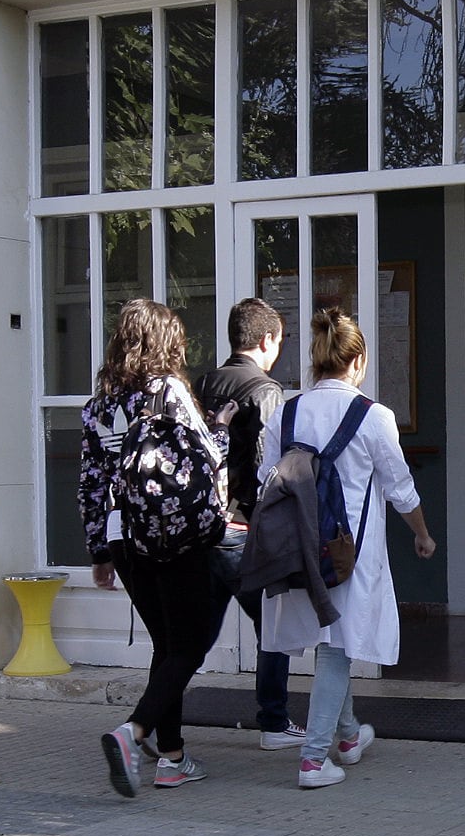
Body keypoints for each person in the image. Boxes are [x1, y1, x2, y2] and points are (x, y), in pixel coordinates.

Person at [259, 307, 435, 790]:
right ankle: (314, 759)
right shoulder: (373, 416)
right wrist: (422, 534)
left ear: (317, 360)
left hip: (297, 551)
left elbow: (265, 480)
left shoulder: (286, 413)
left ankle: (349, 736)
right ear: (357, 362)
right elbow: (401, 489)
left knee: (333, 646)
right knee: (338, 649)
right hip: (347, 555)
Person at [75, 297, 231, 796]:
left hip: (125, 538)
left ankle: (172, 758)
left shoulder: (100, 402)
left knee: (166, 643)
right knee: (189, 643)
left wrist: (100, 552)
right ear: (168, 342)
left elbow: (91, 482)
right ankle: (133, 732)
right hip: (173, 533)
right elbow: (206, 460)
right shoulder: (169, 391)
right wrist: (223, 428)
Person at [197, 297, 297, 745]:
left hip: (200, 527)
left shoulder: (202, 382)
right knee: (273, 626)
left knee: (193, 637)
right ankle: (273, 721)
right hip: (241, 529)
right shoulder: (264, 389)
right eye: (279, 339)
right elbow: (266, 467)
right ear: (266, 339)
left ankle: (154, 726)